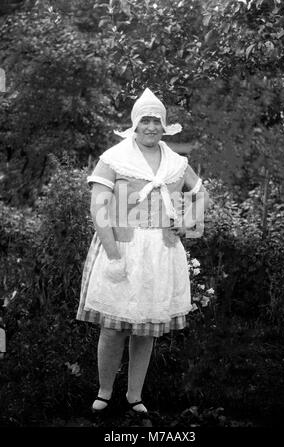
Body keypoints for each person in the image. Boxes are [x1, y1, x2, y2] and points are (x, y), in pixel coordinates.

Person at [76, 88, 210, 418]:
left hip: (160, 253)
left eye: (156, 121)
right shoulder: (114, 158)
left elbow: (201, 194)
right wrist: (113, 254)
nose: (151, 126)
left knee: (146, 329)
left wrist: (189, 221)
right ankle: (105, 391)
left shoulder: (177, 163)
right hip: (122, 247)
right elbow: (98, 208)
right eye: (145, 120)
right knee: (114, 327)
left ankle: (134, 395)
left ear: (164, 125)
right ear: (135, 124)